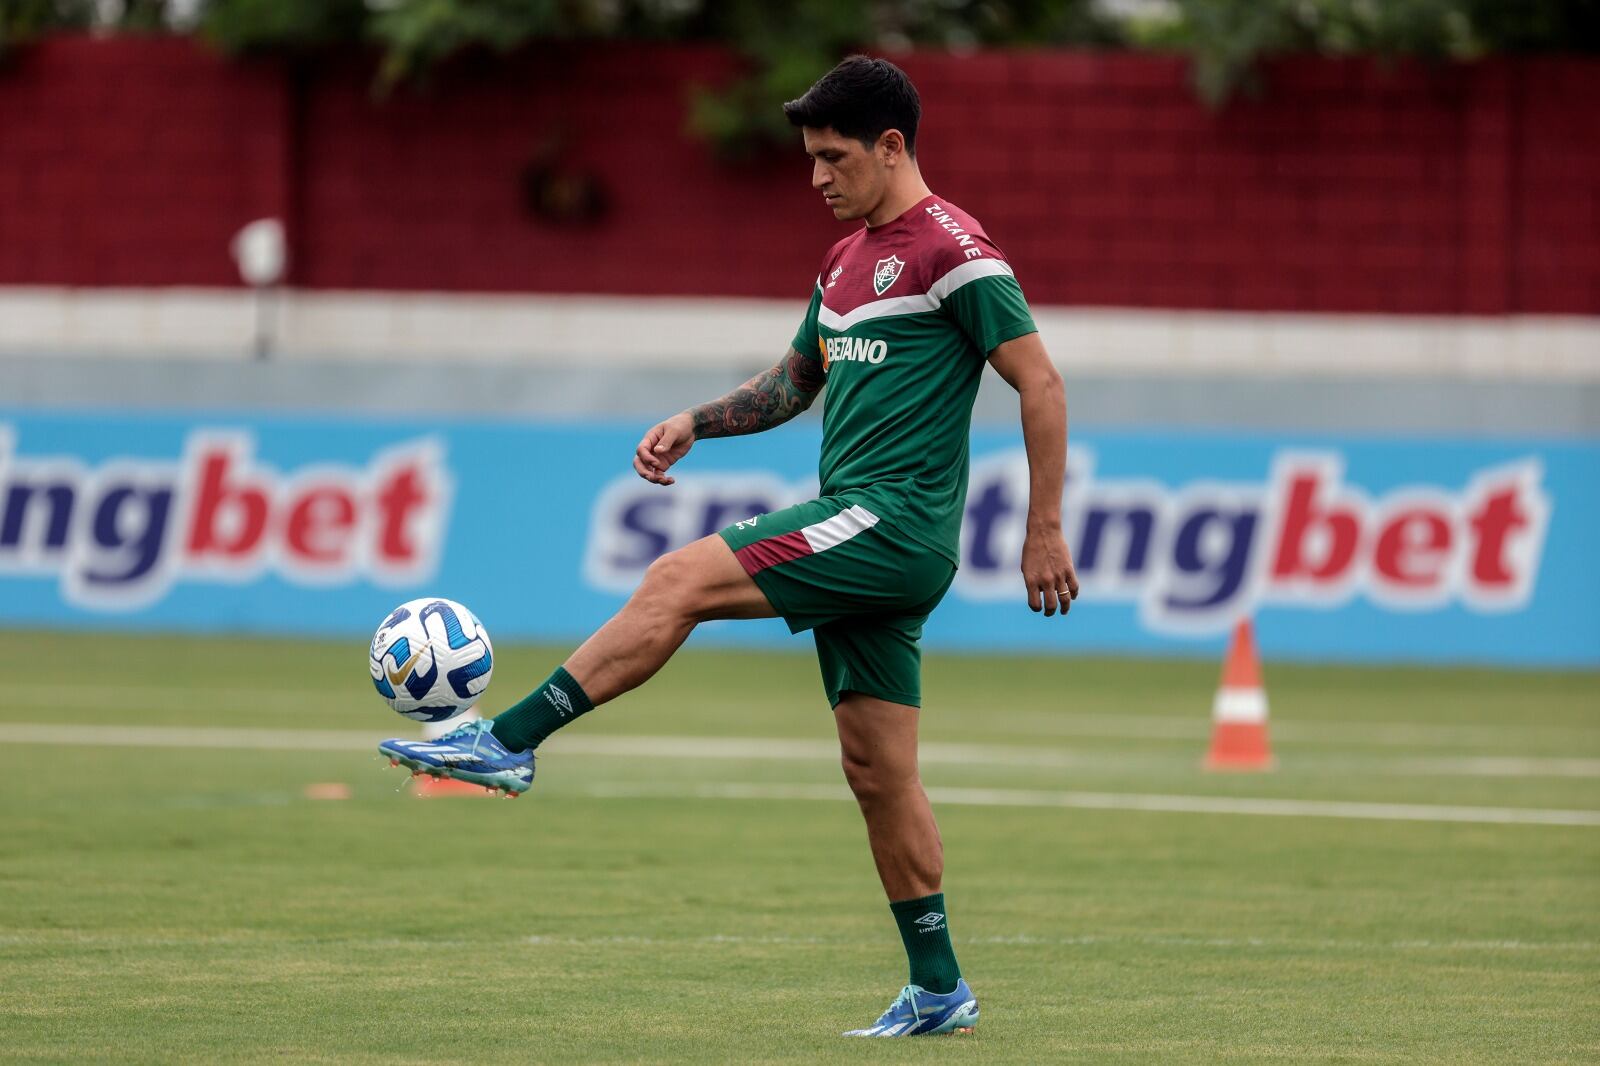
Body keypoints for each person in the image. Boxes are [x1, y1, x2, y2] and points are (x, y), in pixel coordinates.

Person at [379, 54, 1079, 1038]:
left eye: (834, 157)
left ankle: (506, 742)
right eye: (810, 158)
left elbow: (1040, 382)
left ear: (891, 147)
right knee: (878, 773)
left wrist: (1043, 527)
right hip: (867, 531)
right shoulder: (842, 263)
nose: (816, 176)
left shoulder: (953, 250)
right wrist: (696, 422)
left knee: (680, 578)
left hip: (893, 521)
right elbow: (793, 383)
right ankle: (938, 989)